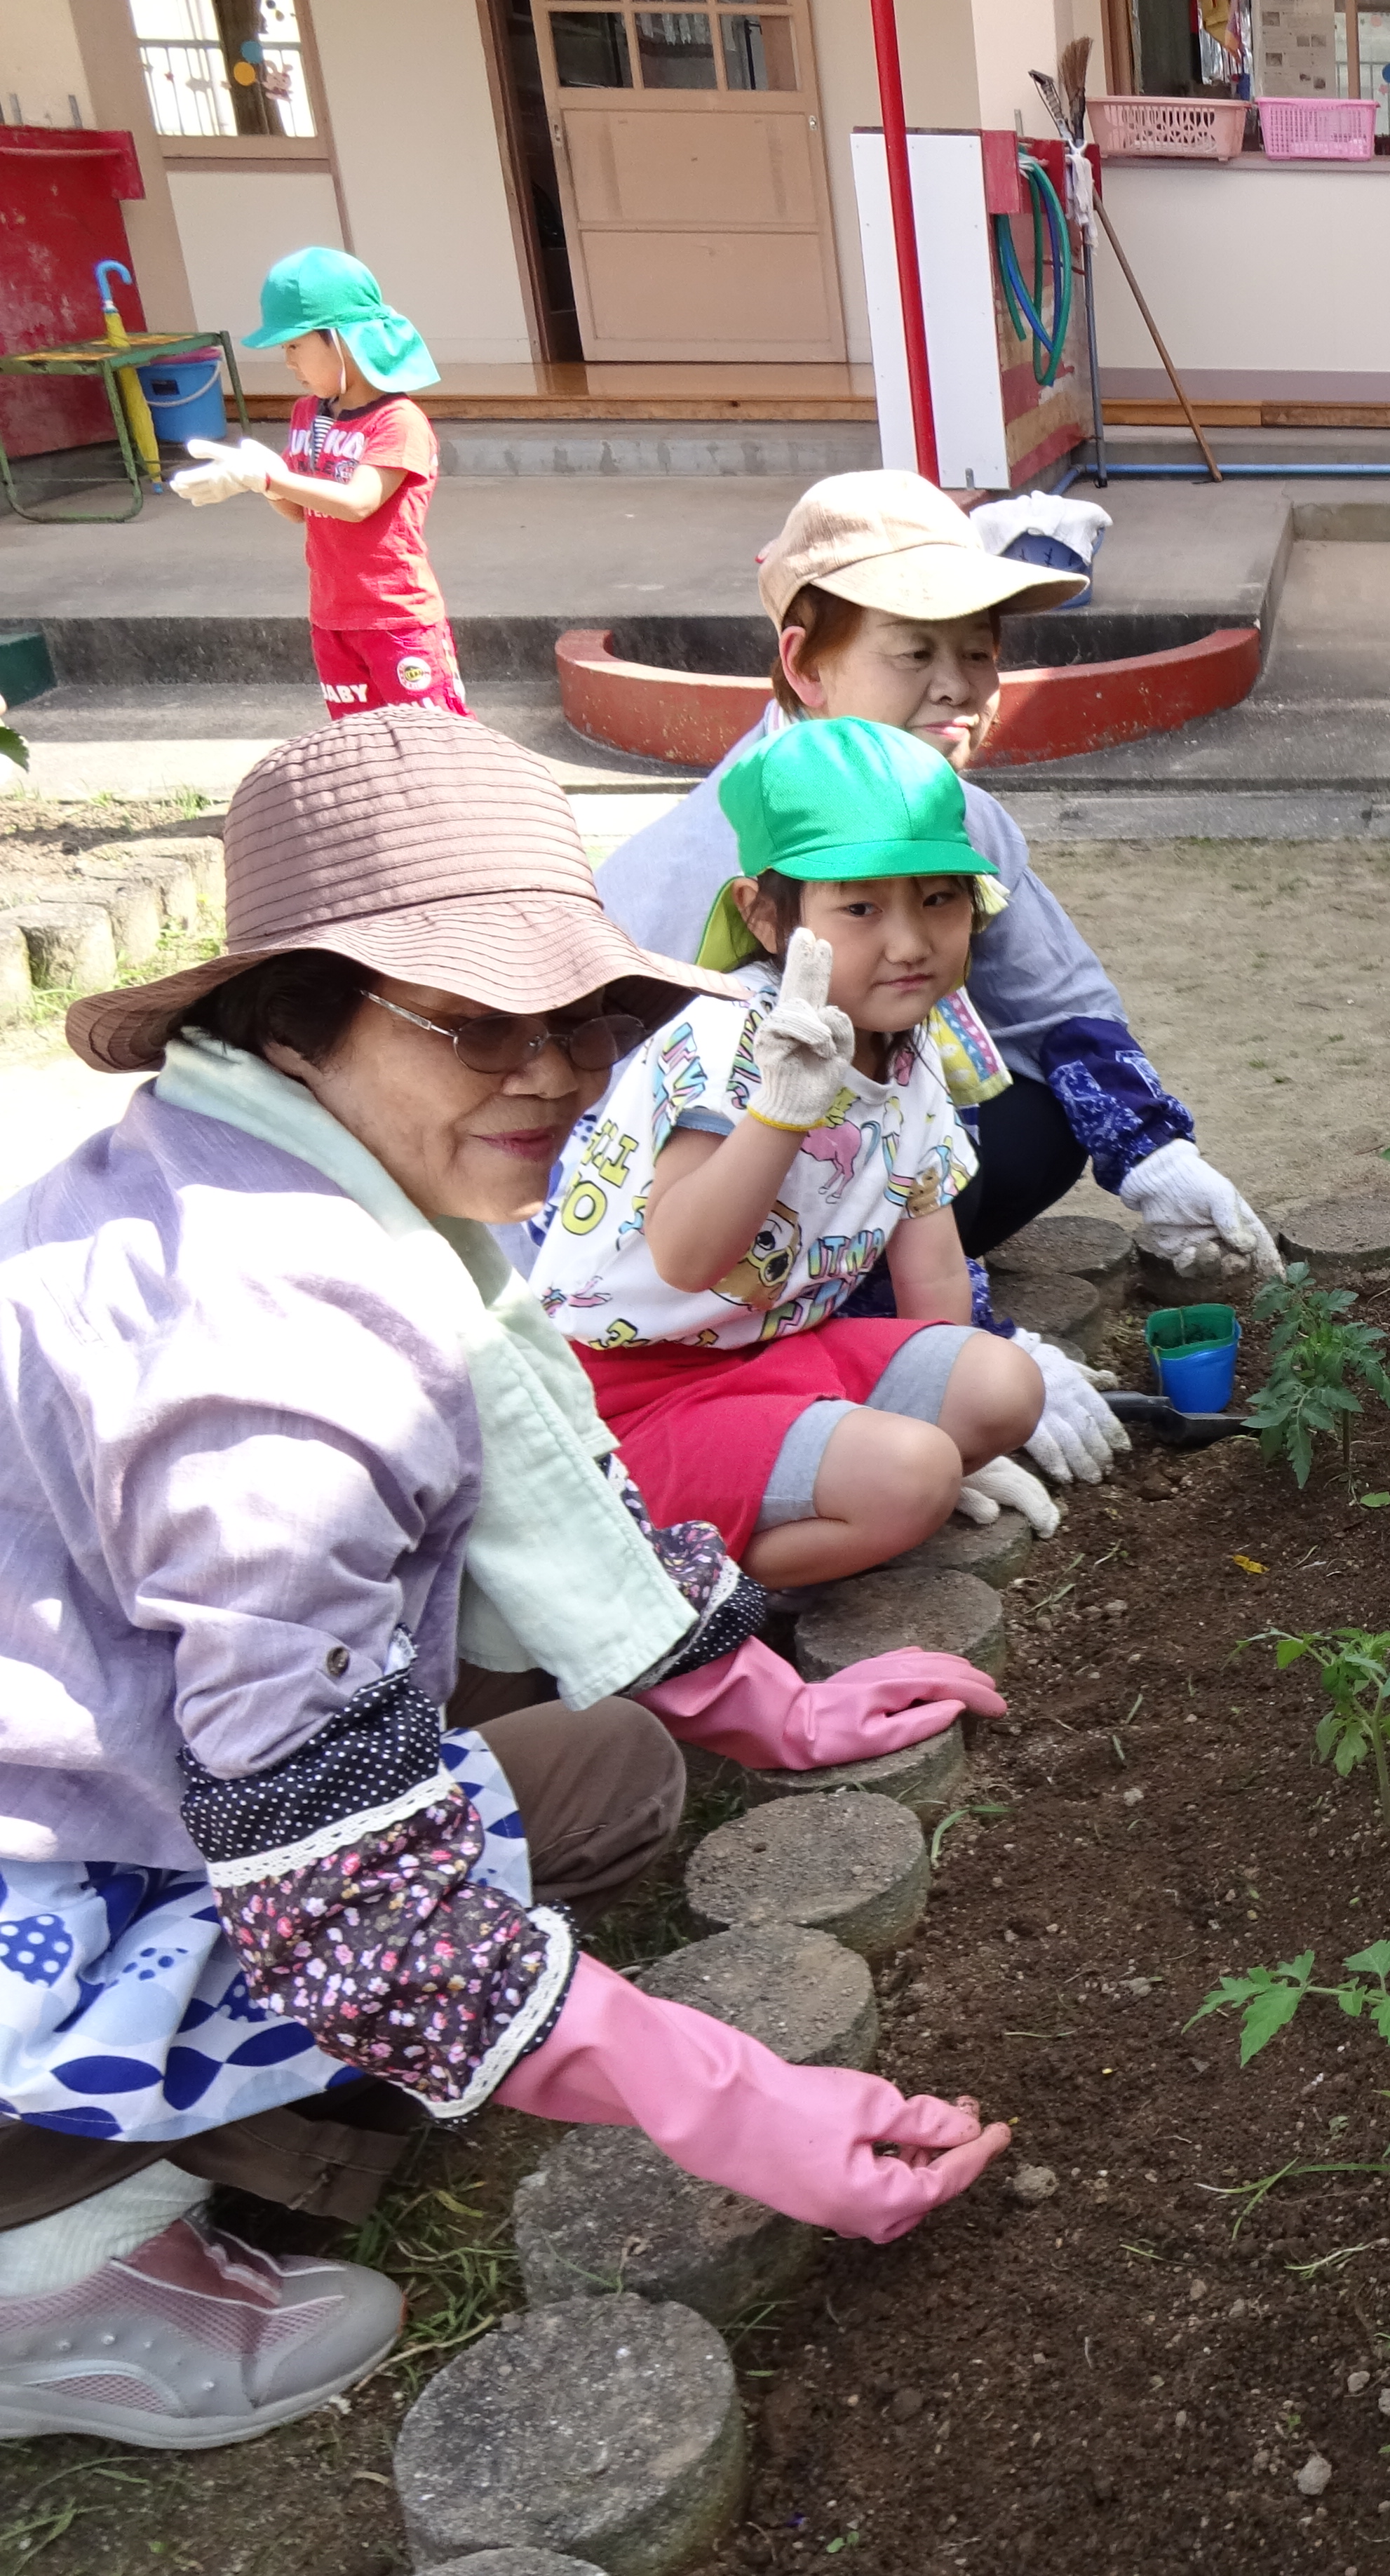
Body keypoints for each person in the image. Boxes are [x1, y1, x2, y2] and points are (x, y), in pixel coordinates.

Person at [0, 710, 1012, 2450]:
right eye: (474, 1018)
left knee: (611, 1771)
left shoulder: (288, 1164)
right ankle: (52, 2252)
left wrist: (766, 1697)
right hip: (51, 1852)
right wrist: (732, 2096)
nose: (552, 1069)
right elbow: (352, 1902)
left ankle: (209, 2136)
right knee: (401, 1899)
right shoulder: (266, 1385)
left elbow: (539, 1471)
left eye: (590, 1015)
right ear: (288, 1011)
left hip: (138, 1758)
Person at [591, 471, 1278, 1324]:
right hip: (689, 1244)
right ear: (806, 665)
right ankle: (855, 1320)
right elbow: (655, 1163)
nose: (960, 687)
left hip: (872, 1140)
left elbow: (1053, 1004)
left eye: (979, 650)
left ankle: (917, 1284)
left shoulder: (955, 809)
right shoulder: (715, 868)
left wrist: (1155, 1154)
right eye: (915, 652)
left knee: (1039, 1109)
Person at [534, 720, 1051, 1585]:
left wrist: (950, 1433)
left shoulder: (908, 1041)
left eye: (938, 897)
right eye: (860, 906)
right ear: (764, 916)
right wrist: (779, 1113)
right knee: (910, 1483)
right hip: (633, 1390)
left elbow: (932, 1277)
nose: (910, 942)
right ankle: (666, 1571)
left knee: (1004, 1388)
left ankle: (828, 1482)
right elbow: (688, 1255)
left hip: (781, 1351)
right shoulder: (734, 1033)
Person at [166, 249, 462, 723]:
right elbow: (298, 511)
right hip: (331, 617)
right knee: (355, 745)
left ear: (342, 341)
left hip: (396, 619)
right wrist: (265, 486)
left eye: (294, 346)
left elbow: (358, 503)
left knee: (433, 741)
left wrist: (271, 476)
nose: (287, 362)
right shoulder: (309, 414)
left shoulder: (397, 421)